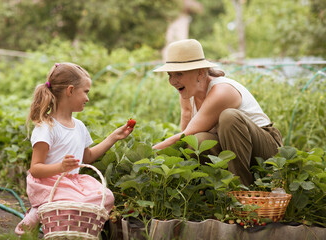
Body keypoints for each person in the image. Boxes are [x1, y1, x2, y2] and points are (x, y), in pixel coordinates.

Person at [15, 62, 134, 235]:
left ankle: (70, 228)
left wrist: (113, 137)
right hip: (50, 184)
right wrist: (61, 168)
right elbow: (35, 169)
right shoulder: (46, 127)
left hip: (71, 183)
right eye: (85, 92)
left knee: (106, 197)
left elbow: (88, 157)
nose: (88, 98)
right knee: (76, 200)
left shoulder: (79, 126)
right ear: (70, 90)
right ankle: (38, 211)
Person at [152, 39, 283, 186]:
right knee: (198, 141)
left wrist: (151, 154)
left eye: (179, 74)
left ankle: (241, 191)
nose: (173, 81)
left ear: (201, 73)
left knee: (228, 117)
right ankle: (214, 191)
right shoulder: (187, 94)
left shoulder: (222, 91)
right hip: (235, 153)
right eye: (170, 75)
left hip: (266, 150)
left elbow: (185, 134)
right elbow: (187, 139)